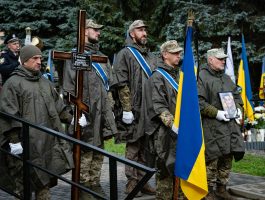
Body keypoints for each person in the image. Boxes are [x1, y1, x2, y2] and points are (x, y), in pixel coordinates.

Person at [0, 45, 74, 199]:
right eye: (35, 58)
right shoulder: (13, 83)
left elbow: (58, 107)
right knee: (23, 187)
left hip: (46, 143)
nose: (39, 61)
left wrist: (72, 119)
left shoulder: (45, 82)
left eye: (40, 58)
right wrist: (14, 141)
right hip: (24, 145)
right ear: (25, 60)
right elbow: (9, 114)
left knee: (44, 185)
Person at [63, 19, 117, 199]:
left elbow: (109, 85)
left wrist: (111, 110)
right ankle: (83, 187)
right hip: (85, 113)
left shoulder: (102, 57)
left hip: (101, 112)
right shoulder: (75, 56)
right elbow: (69, 88)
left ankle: (94, 184)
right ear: (84, 31)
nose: (99, 33)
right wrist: (76, 113)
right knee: (84, 153)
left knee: (98, 151)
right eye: (95, 29)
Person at [112, 19, 157, 196]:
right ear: (132, 34)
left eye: (145, 30)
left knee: (147, 148)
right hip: (134, 109)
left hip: (151, 109)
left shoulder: (151, 56)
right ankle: (132, 183)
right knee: (133, 146)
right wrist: (127, 109)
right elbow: (121, 84)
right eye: (140, 30)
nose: (144, 33)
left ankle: (143, 181)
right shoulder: (125, 54)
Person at [197, 48, 245, 200]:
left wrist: (237, 109)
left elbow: (237, 97)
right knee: (212, 159)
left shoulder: (226, 77)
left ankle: (221, 188)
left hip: (229, 126)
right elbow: (198, 101)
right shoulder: (201, 77)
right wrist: (216, 113)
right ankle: (207, 191)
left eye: (224, 58)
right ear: (210, 60)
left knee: (227, 157)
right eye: (220, 59)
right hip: (211, 127)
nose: (223, 61)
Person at [144, 40, 183, 199]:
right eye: (174, 53)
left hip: (180, 131)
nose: (178, 56)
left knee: (181, 171)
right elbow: (158, 106)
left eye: (179, 53)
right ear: (165, 54)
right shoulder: (157, 77)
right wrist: (173, 124)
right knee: (165, 173)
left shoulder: (180, 75)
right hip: (163, 132)